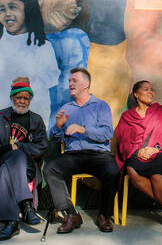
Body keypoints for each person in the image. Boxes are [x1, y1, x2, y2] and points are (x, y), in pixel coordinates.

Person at [44, 67, 120, 233]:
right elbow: (56, 138)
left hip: (98, 155)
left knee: (113, 172)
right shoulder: (66, 108)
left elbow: (107, 134)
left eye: (74, 81)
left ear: (86, 84)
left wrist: (82, 129)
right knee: (50, 168)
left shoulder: (100, 106)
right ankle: (72, 214)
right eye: (69, 81)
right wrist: (57, 127)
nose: (70, 84)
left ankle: (104, 215)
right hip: (73, 155)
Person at [0, 79, 48, 241]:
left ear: (30, 100)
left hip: (27, 168)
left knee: (16, 158)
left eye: (26, 98)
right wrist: (9, 149)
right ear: (12, 98)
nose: (22, 101)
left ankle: (12, 223)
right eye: (18, 97)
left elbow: (42, 146)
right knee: (8, 165)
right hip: (0, 163)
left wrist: (20, 147)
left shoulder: (36, 120)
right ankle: (27, 206)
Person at [115, 80, 162, 234]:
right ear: (136, 94)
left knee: (157, 170)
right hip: (136, 154)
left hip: (160, 153)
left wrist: (155, 149)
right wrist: (138, 152)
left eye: (152, 90)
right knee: (131, 170)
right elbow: (123, 140)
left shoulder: (160, 112)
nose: (150, 92)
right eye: (146, 89)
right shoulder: (127, 116)